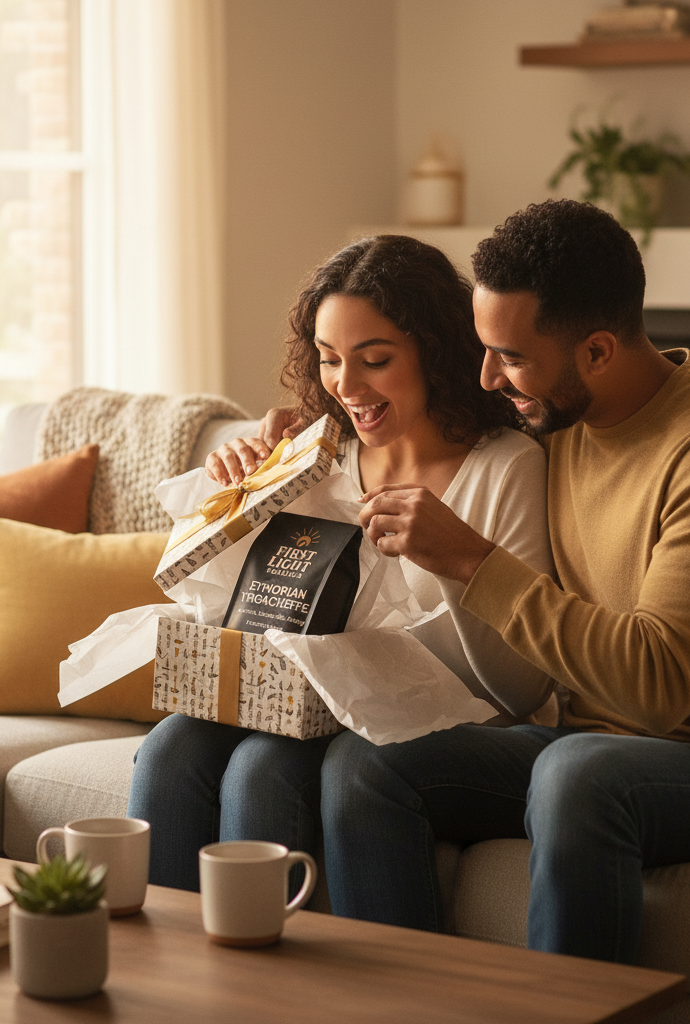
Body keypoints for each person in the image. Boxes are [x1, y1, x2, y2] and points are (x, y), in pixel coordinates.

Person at [306, 199, 690, 964]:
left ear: (596, 351)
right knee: (370, 763)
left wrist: (473, 562)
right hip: (588, 743)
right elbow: (418, 415)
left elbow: (659, 686)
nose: (489, 375)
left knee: (578, 772)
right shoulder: (555, 413)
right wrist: (300, 433)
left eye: (511, 357)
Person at [126, 234, 556, 891]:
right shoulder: (315, 460)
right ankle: (165, 979)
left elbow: (522, 692)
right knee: (170, 748)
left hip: (446, 721)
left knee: (261, 770)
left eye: (374, 359)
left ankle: (272, 981)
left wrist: (446, 556)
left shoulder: (505, 467)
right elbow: (244, 619)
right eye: (329, 360)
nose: (346, 386)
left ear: (436, 351)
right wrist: (241, 501)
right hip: (310, 704)